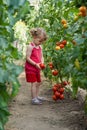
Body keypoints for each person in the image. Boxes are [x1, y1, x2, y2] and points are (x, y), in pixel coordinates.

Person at [25, 28, 47, 105]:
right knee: (34, 83)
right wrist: (35, 64)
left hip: (37, 68)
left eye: (42, 41)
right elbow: (27, 58)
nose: (40, 43)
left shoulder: (40, 47)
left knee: (39, 82)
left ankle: (37, 96)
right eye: (39, 40)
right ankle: (34, 99)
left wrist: (42, 63)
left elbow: (41, 57)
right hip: (31, 68)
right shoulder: (30, 46)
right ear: (34, 37)